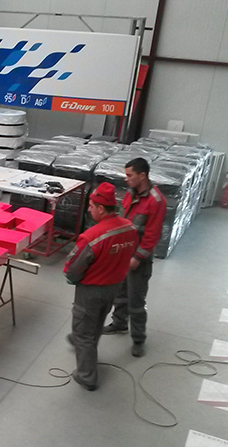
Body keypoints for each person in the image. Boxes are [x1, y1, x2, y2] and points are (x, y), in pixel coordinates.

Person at [65, 183, 138, 391]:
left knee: (83, 333)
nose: (89, 210)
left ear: (101, 208)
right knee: (96, 324)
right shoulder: (129, 228)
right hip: (114, 287)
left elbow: (72, 268)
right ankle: (88, 353)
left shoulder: (92, 236)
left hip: (91, 291)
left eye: (91, 206)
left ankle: (87, 376)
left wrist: (73, 278)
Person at [102, 157, 167, 357]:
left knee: (136, 301)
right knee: (120, 293)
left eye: (130, 175)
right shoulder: (130, 193)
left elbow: (152, 235)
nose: (126, 179)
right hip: (123, 252)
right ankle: (119, 323)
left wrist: (137, 258)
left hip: (139, 259)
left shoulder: (156, 201)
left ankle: (138, 339)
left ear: (142, 175)